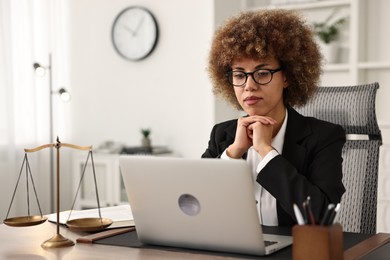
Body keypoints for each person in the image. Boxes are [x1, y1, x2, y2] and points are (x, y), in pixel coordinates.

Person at [202, 9, 346, 226]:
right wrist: (233, 153)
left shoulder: (323, 137)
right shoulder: (222, 135)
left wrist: (266, 152)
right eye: (240, 75)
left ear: (287, 76)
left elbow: (319, 217)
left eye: (262, 73)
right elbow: (198, 206)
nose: (249, 85)